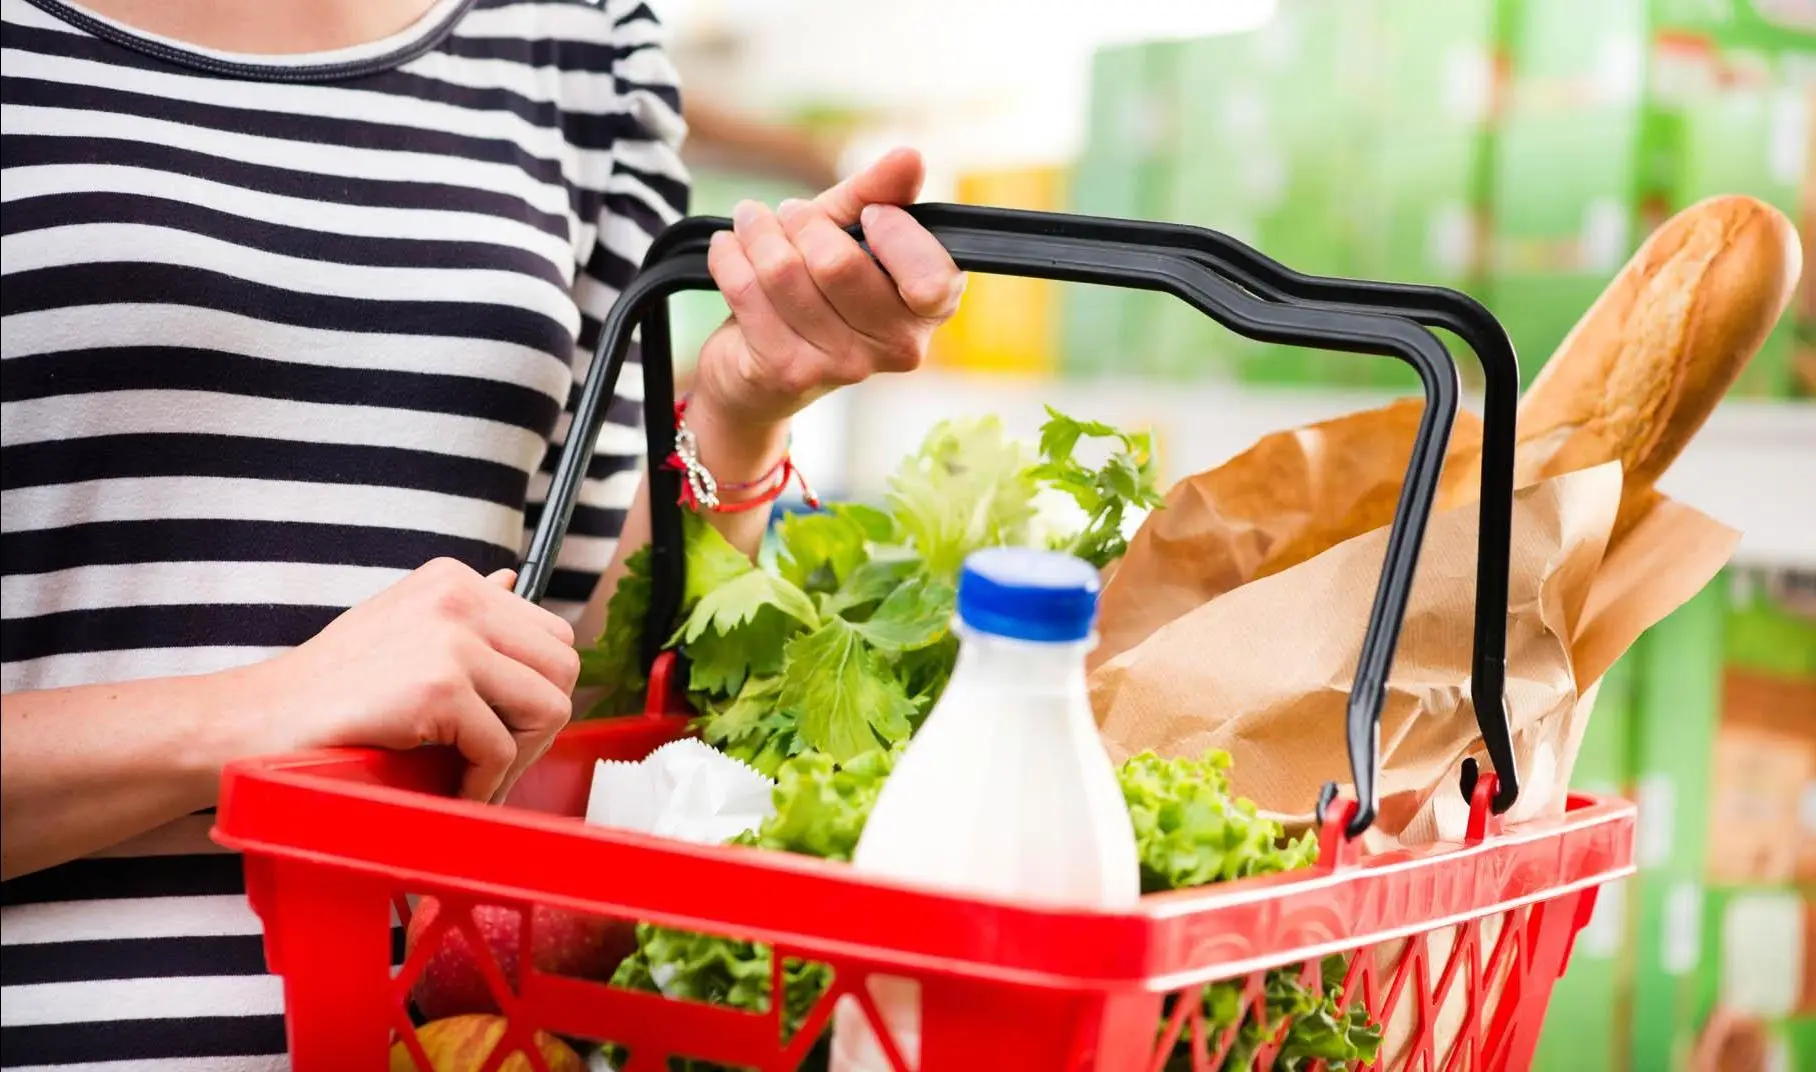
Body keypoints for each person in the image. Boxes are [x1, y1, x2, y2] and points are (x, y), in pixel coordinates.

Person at [0, 0, 964, 1066]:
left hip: (461, 1041)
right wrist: (260, 715)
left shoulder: (578, 48)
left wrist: (737, 409)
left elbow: (574, 713)